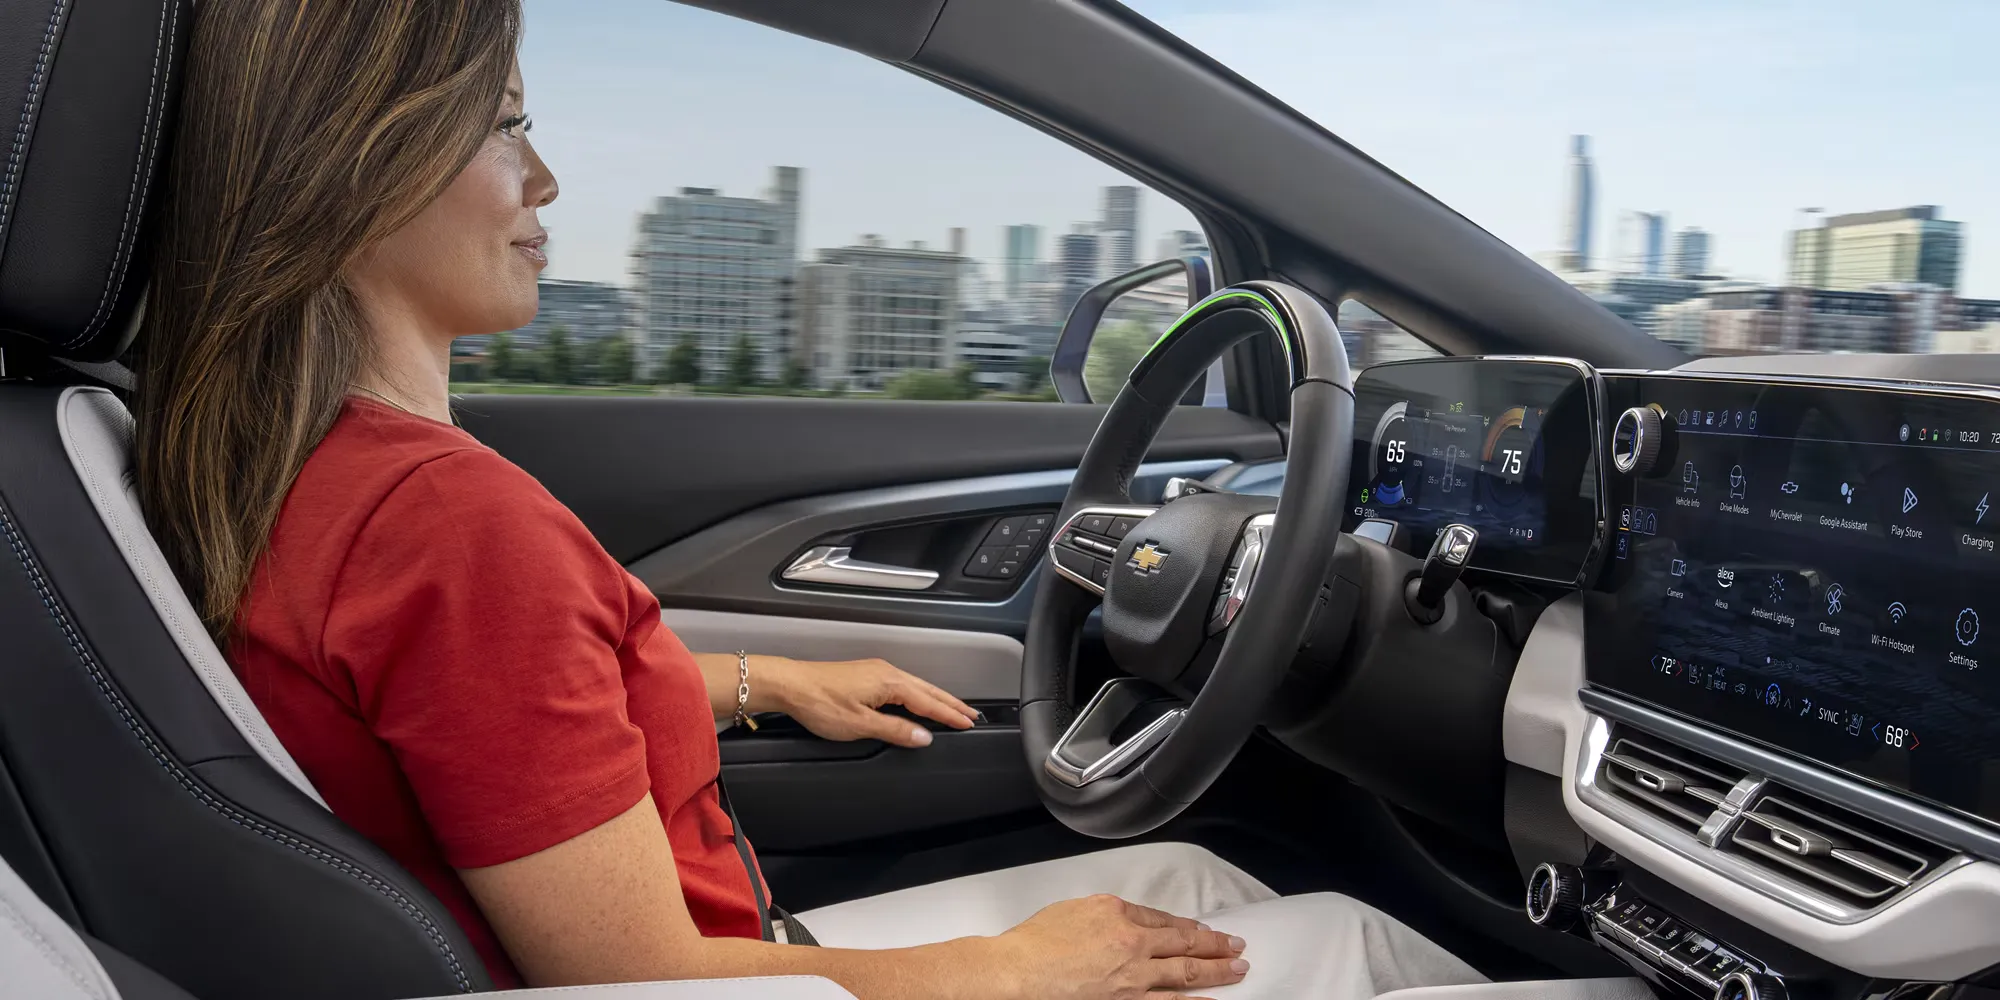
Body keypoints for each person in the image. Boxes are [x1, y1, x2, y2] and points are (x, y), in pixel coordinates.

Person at [131, 1, 1488, 998]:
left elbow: (483, 715)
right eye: (506, 130)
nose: (544, 182)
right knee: (1355, 949)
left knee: (1198, 893)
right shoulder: (450, 526)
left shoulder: (284, 466)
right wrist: (1012, 975)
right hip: (729, 982)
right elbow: (646, 986)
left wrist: (767, 676)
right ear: (362, 164)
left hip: (754, 963)